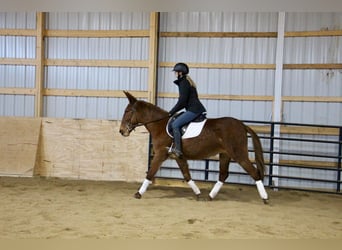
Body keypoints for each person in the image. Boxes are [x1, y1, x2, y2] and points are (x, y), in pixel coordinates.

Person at [168, 62, 207, 158]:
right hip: (194, 109)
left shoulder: (184, 83)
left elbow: (182, 102)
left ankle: (178, 150)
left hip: (194, 110)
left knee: (175, 124)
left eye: (176, 72)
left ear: (180, 73)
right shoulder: (186, 81)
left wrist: (171, 112)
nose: (175, 74)